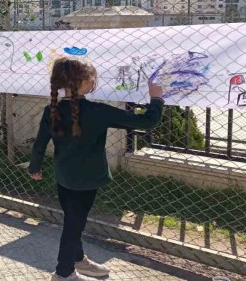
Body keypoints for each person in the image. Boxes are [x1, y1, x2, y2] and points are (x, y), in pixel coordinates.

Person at [28, 58, 165, 281]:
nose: (94, 82)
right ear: (82, 82)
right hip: (87, 180)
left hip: (63, 176)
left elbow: (40, 143)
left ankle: (78, 260)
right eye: (92, 78)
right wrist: (156, 98)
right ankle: (63, 274)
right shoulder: (97, 111)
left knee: (73, 219)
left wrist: (34, 167)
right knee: (73, 226)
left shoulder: (51, 110)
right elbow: (148, 122)